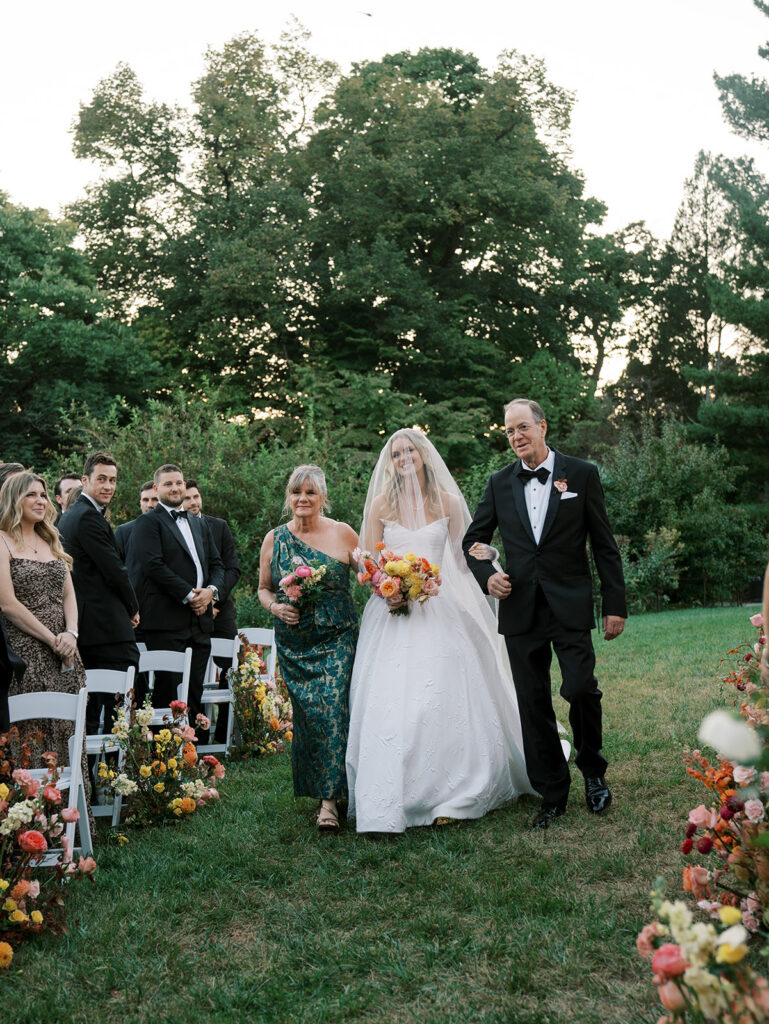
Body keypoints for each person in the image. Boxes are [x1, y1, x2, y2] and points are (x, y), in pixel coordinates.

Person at [345, 429, 535, 834]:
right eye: (396, 454)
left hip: (440, 606)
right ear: (391, 462)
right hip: (393, 612)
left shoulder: (446, 501)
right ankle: (397, 791)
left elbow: (465, 559)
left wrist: (490, 556)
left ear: (423, 455)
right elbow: (372, 562)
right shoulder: (381, 504)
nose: (403, 458)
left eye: (409, 451)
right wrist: (387, 588)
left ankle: (456, 790)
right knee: (394, 701)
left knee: (442, 696)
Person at [463, 398, 627, 830]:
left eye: (522, 427)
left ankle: (593, 772)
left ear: (542, 427)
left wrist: (615, 605)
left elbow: (604, 545)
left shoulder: (582, 474)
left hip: (569, 604)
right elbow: (472, 542)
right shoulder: (499, 483)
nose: (516, 437)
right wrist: (488, 578)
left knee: (581, 689)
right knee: (532, 703)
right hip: (520, 609)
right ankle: (552, 792)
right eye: (509, 431)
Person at [258, 465, 358, 831]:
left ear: (323, 497)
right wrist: (275, 607)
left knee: (333, 709)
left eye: (310, 492)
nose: (303, 498)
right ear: (289, 497)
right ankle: (323, 788)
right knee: (310, 717)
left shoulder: (343, 532)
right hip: (295, 642)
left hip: (337, 636)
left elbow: (369, 574)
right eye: (296, 492)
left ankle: (329, 803)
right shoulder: (274, 538)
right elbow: (264, 588)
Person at [127, 464, 224, 735]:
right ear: (156, 488)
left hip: (200, 620)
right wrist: (190, 595)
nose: (175, 488)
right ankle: (163, 750)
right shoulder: (148, 522)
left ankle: (192, 746)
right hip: (166, 621)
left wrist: (210, 592)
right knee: (167, 691)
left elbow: (217, 564)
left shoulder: (198, 522)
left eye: (179, 483)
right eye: (168, 484)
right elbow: (153, 565)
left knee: (194, 689)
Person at [0, 472, 87, 773]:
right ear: (14, 500)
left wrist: (71, 633)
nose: (40, 501)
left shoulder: (51, 538)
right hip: (26, 653)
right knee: (32, 736)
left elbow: (69, 594)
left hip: (66, 652)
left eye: (43, 495)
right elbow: (7, 603)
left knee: (68, 730)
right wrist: (52, 639)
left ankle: (72, 803)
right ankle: (35, 803)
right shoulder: (2, 540)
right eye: (31, 495)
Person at [58, 453, 140, 761]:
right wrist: (132, 607)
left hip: (88, 627)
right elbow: (114, 569)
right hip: (106, 627)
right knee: (124, 702)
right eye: (101, 479)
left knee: (92, 707)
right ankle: (121, 774)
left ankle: (94, 776)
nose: (108, 486)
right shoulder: (88, 517)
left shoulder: (71, 515)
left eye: (113, 480)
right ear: (85, 480)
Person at [183, 479, 241, 743]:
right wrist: (200, 603)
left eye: (196, 496)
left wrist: (214, 600)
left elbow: (232, 569)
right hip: (191, 610)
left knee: (231, 668)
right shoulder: (175, 529)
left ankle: (225, 731)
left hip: (221, 609)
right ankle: (198, 734)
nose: (193, 502)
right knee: (192, 672)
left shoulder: (219, 526)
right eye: (187, 498)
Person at [114, 480, 157, 561]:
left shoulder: (174, 529)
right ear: (140, 503)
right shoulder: (123, 532)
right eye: (145, 500)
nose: (150, 505)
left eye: (155, 499)